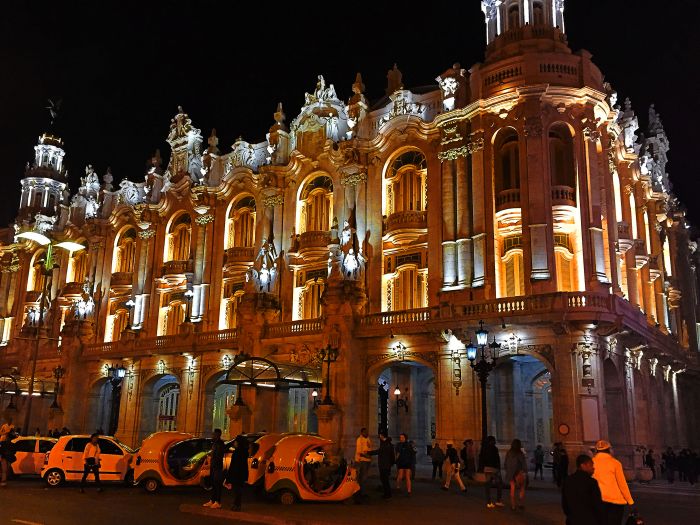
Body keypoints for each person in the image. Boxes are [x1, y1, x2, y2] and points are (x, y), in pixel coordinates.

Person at [592, 440, 634, 525]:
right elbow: (622, 484)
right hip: (615, 501)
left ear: (596, 450)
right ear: (609, 450)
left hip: (597, 500)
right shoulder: (615, 463)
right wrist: (630, 500)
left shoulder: (591, 463)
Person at [562, 454, 604, 525]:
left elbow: (564, 503)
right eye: (591, 465)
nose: (593, 468)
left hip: (573, 520)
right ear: (583, 465)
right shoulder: (591, 482)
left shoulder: (568, 480)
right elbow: (597, 504)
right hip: (589, 520)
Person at [224, 435, 249, 511]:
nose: (234, 443)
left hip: (237, 474)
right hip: (240, 474)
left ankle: (237, 505)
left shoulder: (238, 452)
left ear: (238, 442)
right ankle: (236, 504)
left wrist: (229, 475)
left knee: (237, 490)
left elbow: (234, 464)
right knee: (238, 490)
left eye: (235, 441)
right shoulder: (244, 451)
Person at [203, 429, 225, 509]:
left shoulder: (220, 444)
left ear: (218, 435)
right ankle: (212, 500)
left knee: (217, 484)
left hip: (217, 466)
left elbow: (218, 456)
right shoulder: (215, 443)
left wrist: (213, 456)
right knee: (213, 484)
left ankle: (218, 502)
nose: (212, 436)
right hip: (214, 466)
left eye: (214, 434)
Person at [368, 431, 394, 499]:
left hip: (384, 465)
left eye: (380, 435)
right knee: (384, 479)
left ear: (382, 436)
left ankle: (387, 494)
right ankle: (387, 493)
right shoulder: (388, 443)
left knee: (384, 479)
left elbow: (379, 451)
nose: (379, 436)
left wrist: (368, 453)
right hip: (385, 464)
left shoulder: (386, 444)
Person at [480, 435, 504, 509]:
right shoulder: (494, 448)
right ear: (492, 441)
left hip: (487, 469)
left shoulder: (484, 449)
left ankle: (489, 502)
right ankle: (498, 500)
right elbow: (497, 459)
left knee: (488, 486)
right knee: (499, 484)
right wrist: (498, 468)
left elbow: (481, 459)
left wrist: (481, 468)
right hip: (494, 469)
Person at [504, 439, 528, 511]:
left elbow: (505, 463)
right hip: (519, 473)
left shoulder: (508, 453)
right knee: (522, 488)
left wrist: (508, 471)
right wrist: (525, 472)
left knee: (512, 489)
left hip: (511, 473)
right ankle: (520, 503)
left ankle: (513, 505)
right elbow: (523, 463)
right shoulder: (520, 453)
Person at [354, 427, 372, 502]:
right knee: (361, 478)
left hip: (367, 460)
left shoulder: (368, 438)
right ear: (362, 433)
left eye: (367, 432)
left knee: (364, 478)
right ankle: (359, 493)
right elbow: (359, 452)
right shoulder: (359, 439)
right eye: (365, 432)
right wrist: (366, 456)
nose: (366, 433)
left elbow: (369, 448)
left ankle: (362, 492)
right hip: (362, 460)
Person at [0, 416, 16, 488]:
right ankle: (3, 481)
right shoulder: (4, 426)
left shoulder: (12, 426)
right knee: (4, 468)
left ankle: (4, 480)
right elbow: (1, 432)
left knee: (5, 468)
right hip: (3, 442)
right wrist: (6, 432)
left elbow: (13, 433)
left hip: (6, 453)